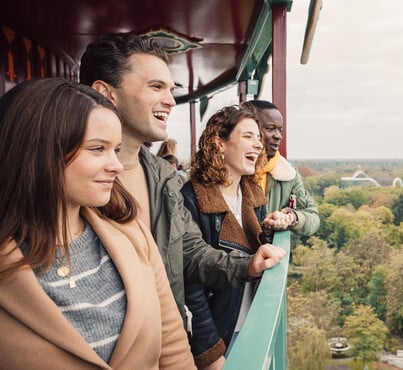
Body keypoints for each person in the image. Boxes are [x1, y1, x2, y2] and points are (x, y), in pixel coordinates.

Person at [79, 32, 286, 368]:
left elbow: (188, 253)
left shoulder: (162, 178)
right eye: (155, 87)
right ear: (105, 94)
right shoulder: (70, 181)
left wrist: (247, 265)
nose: (171, 101)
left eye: (170, 89)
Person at [0, 78, 194, 369]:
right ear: (39, 152)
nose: (116, 165)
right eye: (96, 149)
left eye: (115, 150)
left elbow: (173, 348)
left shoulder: (132, 232)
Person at [180, 105, 295, 367]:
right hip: (220, 334)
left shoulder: (254, 196)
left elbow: (250, 248)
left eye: (258, 137)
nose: (258, 144)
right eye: (248, 136)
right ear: (220, 143)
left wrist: (270, 229)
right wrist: (210, 353)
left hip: (252, 324)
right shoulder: (191, 198)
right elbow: (190, 285)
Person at [241, 100, 320, 238]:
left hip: (271, 257)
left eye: (280, 130)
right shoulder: (228, 172)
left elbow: (313, 216)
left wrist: (292, 218)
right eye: (270, 129)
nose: (278, 136)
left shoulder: (288, 175)